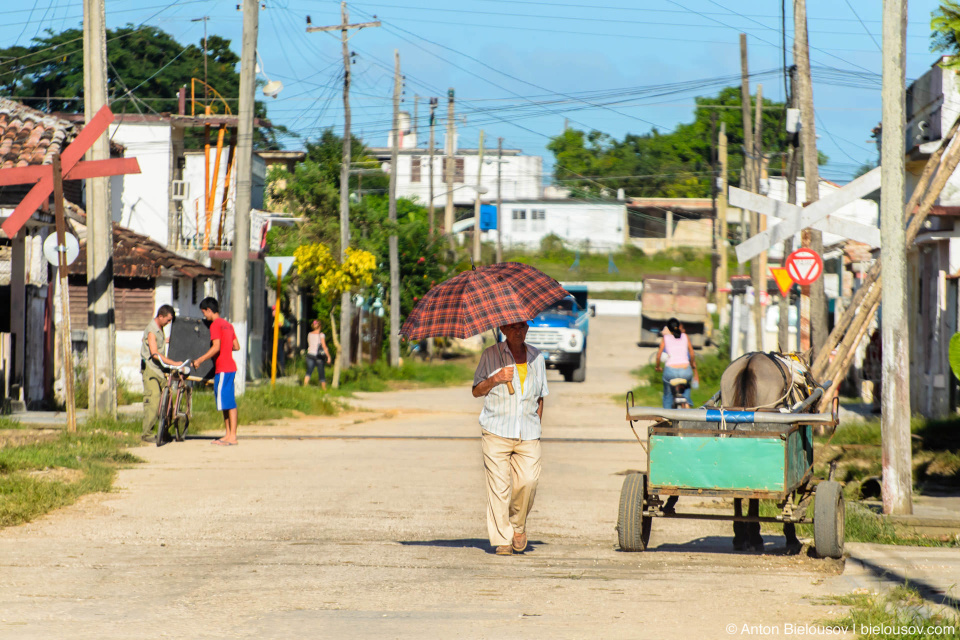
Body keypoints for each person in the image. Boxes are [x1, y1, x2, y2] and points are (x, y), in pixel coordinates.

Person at [472, 321, 548, 556]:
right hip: (496, 431)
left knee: (528, 482)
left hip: (528, 433)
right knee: (499, 488)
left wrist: (536, 426)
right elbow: (476, 390)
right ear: (503, 330)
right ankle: (502, 539)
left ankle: (518, 526)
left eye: (523, 327)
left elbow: (541, 396)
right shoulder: (490, 355)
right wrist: (495, 379)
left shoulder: (537, 358)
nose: (518, 331)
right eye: (513, 327)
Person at [193, 297, 241, 446]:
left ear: (209, 310)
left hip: (223, 368)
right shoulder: (228, 325)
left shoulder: (215, 325)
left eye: (204, 313)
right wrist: (226, 346)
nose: (204, 316)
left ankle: (232, 436)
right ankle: (228, 434)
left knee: (229, 403)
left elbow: (216, 347)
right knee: (225, 402)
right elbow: (236, 346)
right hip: (230, 367)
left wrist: (200, 360)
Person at [140, 305, 182, 442]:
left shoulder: (159, 329)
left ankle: (164, 431)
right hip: (151, 369)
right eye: (168, 320)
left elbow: (160, 344)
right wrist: (173, 363)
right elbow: (155, 353)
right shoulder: (152, 330)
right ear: (161, 316)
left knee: (168, 400)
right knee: (154, 400)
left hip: (160, 370)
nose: (169, 323)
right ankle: (147, 434)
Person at [654, 317, 698, 410]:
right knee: (687, 387)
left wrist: (657, 367)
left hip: (670, 371)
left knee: (667, 395)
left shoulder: (665, 338)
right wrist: (690, 363)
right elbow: (692, 353)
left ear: (668, 328)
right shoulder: (685, 336)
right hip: (686, 370)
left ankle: (667, 416)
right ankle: (687, 402)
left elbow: (658, 355)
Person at [304, 319, 332, 389]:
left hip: (310, 354)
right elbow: (324, 346)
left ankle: (305, 386)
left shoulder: (309, 334)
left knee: (309, 370)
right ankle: (324, 388)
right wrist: (328, 356)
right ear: (320, 326)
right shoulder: (321, 335)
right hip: (318, 356)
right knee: (321, 371)